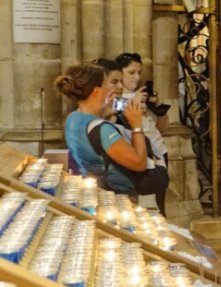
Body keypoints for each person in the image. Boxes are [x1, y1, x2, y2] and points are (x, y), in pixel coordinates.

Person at [56, 64, 150, 198]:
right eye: (107, 83)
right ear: (96, 90)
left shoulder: (73, 118)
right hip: (114, 197)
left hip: (89, 191)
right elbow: (139, 163)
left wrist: (104, 112)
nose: (117, 87)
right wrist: (136, 125)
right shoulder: (103, 129)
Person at [114, 51, 170, 213]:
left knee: (160, 204)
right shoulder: (117, 99)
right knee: (145, 208)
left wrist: (159, 109)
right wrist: (133, 101)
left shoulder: (141, 95)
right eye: (131, 72)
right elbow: (109, 110)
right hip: (140, 155)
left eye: (139, 73)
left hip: (159, 151)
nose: (137, 77)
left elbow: (160, 129)